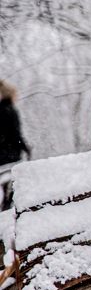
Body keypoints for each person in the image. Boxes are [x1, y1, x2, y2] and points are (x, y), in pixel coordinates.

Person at [0, 80, 30, 210]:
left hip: (3, 153)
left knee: (6, 182)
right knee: (13, 181)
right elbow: (15, 133)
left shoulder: (2, 109)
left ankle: (6, 205)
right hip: (10, 154)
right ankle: (8, 206)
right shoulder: (10, 110)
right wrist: (25, 147)